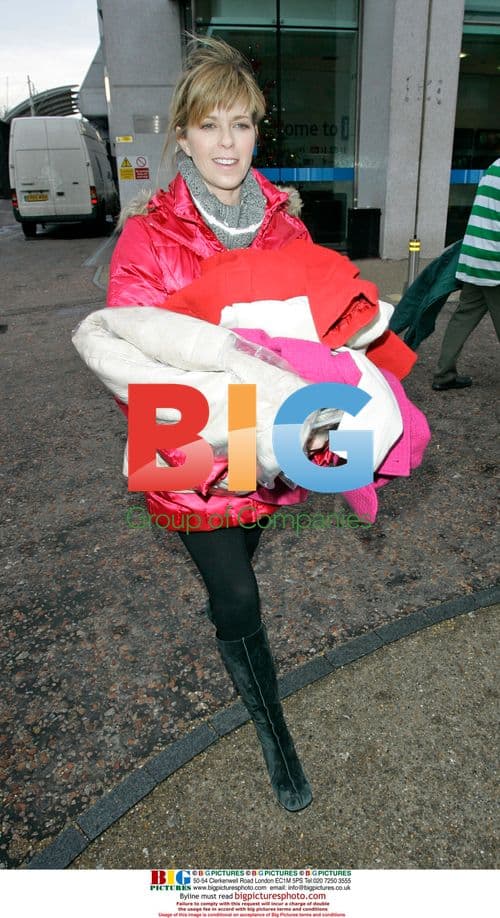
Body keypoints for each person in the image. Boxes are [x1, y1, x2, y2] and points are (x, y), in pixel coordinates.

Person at [106, 36, 314, 812]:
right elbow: (131, 353)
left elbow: (310, 338)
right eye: (211, 126)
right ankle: (278, 745)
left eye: (243, 125)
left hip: (264, 436)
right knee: (239, 597)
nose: (229, 143)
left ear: (258, 131)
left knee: (243, 566)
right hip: (187, 435)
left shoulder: (288, 230)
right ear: (184, 134)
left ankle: (230, 616)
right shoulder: (150, 235)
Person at [432, 158, 500, 390]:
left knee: (463, 316)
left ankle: (444, 374)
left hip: (474, 255)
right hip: (495, 261)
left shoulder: (494, 167)